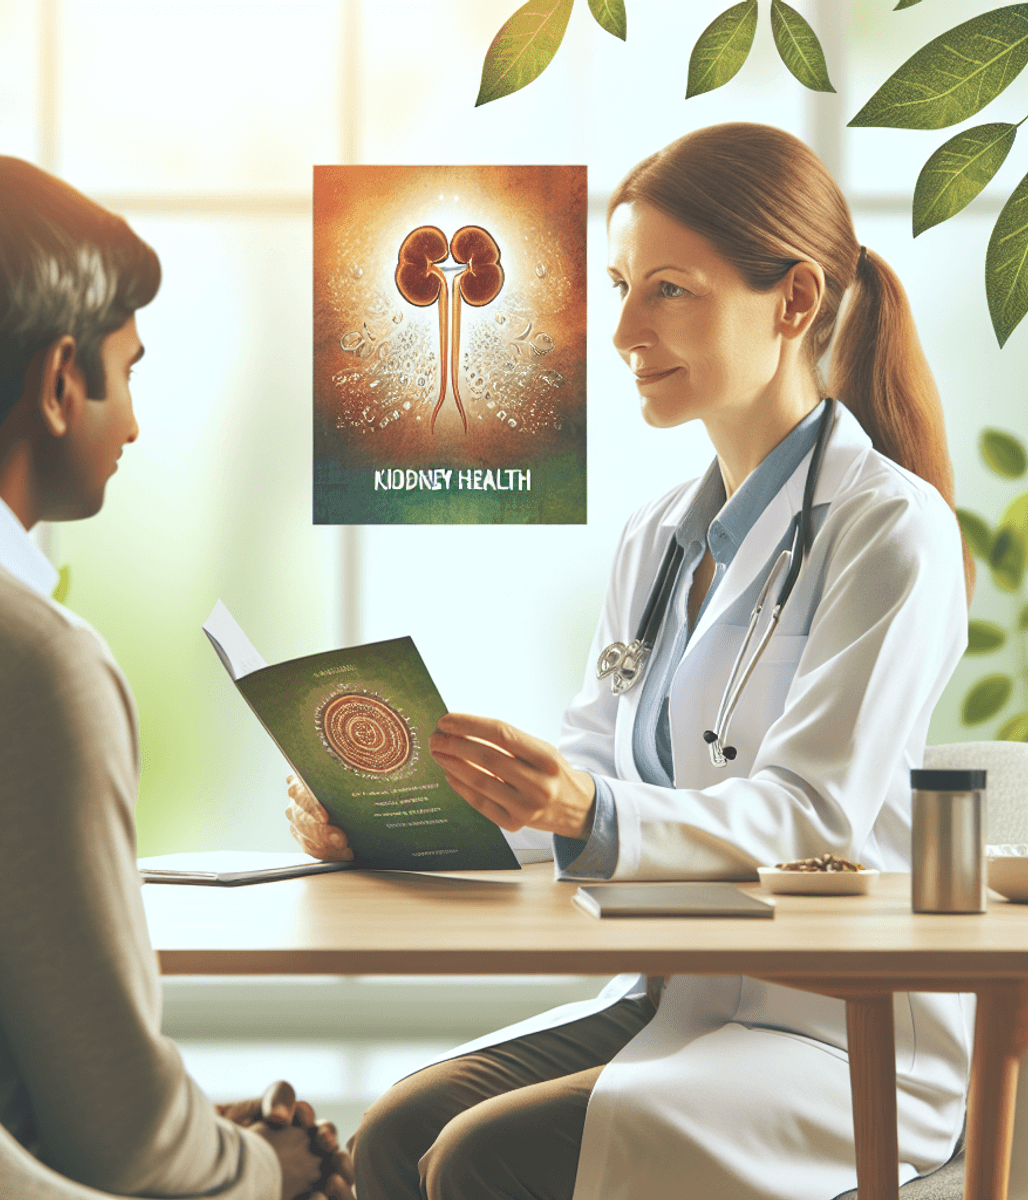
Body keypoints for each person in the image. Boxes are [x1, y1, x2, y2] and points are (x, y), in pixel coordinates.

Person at [286, 122, 972, 1199]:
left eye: (668, 291)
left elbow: (813, 817)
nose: (620, 331)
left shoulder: (892, 530)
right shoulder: (658, 540)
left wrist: (584, 807)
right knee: (394, 1133)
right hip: (677, 995)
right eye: (619, 287)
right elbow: (593, 772)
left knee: (477, 1159)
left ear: (793, 301)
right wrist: (405, 815)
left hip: (835, 1030)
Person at [0, 155, 351, 1200]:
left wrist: (199, 1132)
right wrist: (266, 1166)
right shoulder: (25, 660)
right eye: (131, 370)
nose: (139, 424)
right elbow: (125, 1147)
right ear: (61, 381)